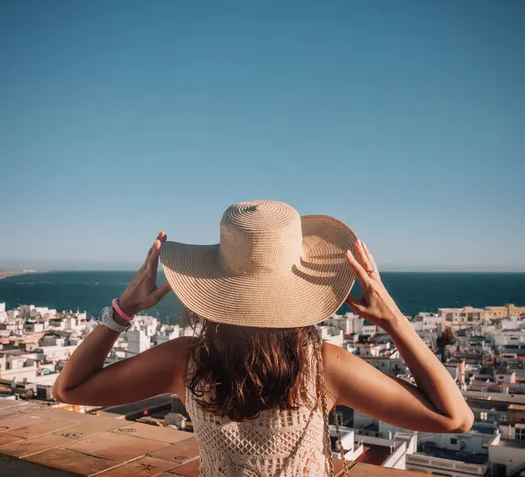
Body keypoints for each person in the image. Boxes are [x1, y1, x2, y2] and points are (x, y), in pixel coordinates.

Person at [53, 201, 473, 476]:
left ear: (214, 282)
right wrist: (395, 319)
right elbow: (456, 418)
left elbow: (67, 389)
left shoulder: (184, 363)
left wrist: (123, 310)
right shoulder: (323, 366)